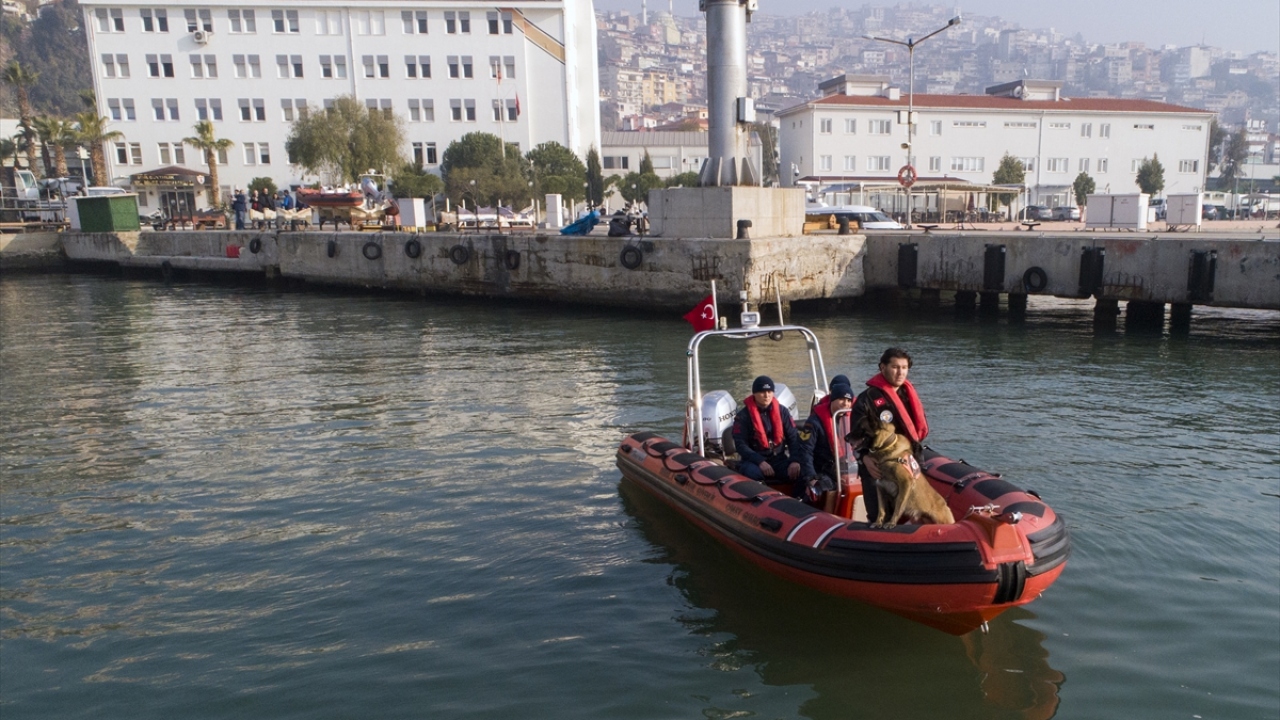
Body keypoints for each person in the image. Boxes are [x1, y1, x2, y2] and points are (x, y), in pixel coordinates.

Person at [848, 348, 930, 524]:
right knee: (880, 514)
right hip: (877, 465)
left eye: (904, 367)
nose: (900, 372)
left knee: (914, 511)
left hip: (907, 462)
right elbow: (857, 436)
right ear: (882, 367)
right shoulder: (867, 400)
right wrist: (864, 458)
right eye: (895, 367)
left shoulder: (908, 396)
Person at [731, 375, 803, 492]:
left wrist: (795, 460)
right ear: (754, 393)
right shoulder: (743, 416)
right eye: (762, 392)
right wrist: (760, 461)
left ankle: (798, 502)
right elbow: (741, 445)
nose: (766, 395)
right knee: (752, 474)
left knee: (802, 472)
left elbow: (793, 438)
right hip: (753, 461)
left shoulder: (782, 412)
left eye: (769, 391)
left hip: (778, 459)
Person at [798, 382, 855, 509]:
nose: (845, 404)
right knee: (827, 487)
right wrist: (811, 477)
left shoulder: (852, 420)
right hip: (821, 468)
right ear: (832, 400)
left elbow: (858, 447)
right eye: (841, 399)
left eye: (848, 400)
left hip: (844, 467)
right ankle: (824, 513)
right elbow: (805, 452)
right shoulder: (814, 422)